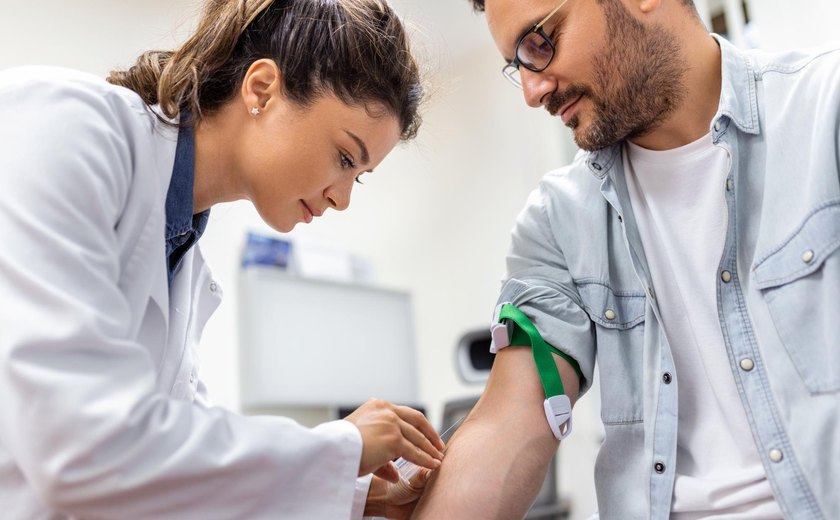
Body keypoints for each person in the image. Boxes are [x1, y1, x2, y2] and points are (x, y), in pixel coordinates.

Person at [0, 0, 446, 518]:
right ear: (262, 89)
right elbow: (84, 448)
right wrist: (342, 447)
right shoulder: (65, 125)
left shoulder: (184, 262)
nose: (342, 198)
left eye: (358, 176)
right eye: (345, 157)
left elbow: (170, 467)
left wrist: (354, 494)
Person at [413, 0, 840, 518]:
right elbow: (510, 423)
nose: (532, 91)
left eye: (539, 44)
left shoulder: (824, 110)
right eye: (517, 66)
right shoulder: (556, 221)